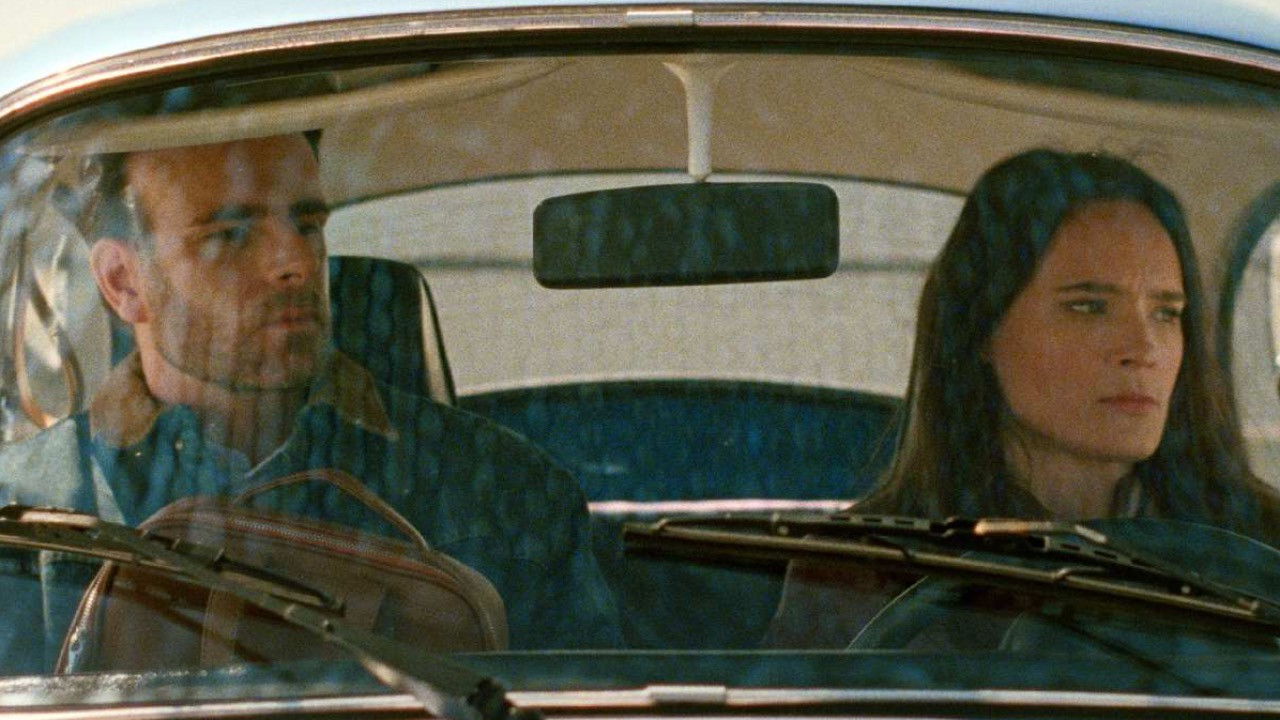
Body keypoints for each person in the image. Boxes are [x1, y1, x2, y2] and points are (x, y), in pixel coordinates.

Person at [0, 133, 622, 671]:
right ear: (123, 282)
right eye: (230, 235)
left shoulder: (504, 491)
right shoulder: (23, 516)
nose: (295, 262)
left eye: (308, 225)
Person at [766, 148, 1280, 648]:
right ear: (981, 329)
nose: (1143, 349)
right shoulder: (861, 571)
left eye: (1166, 313)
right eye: (1088, 307)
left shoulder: (1260, 547)